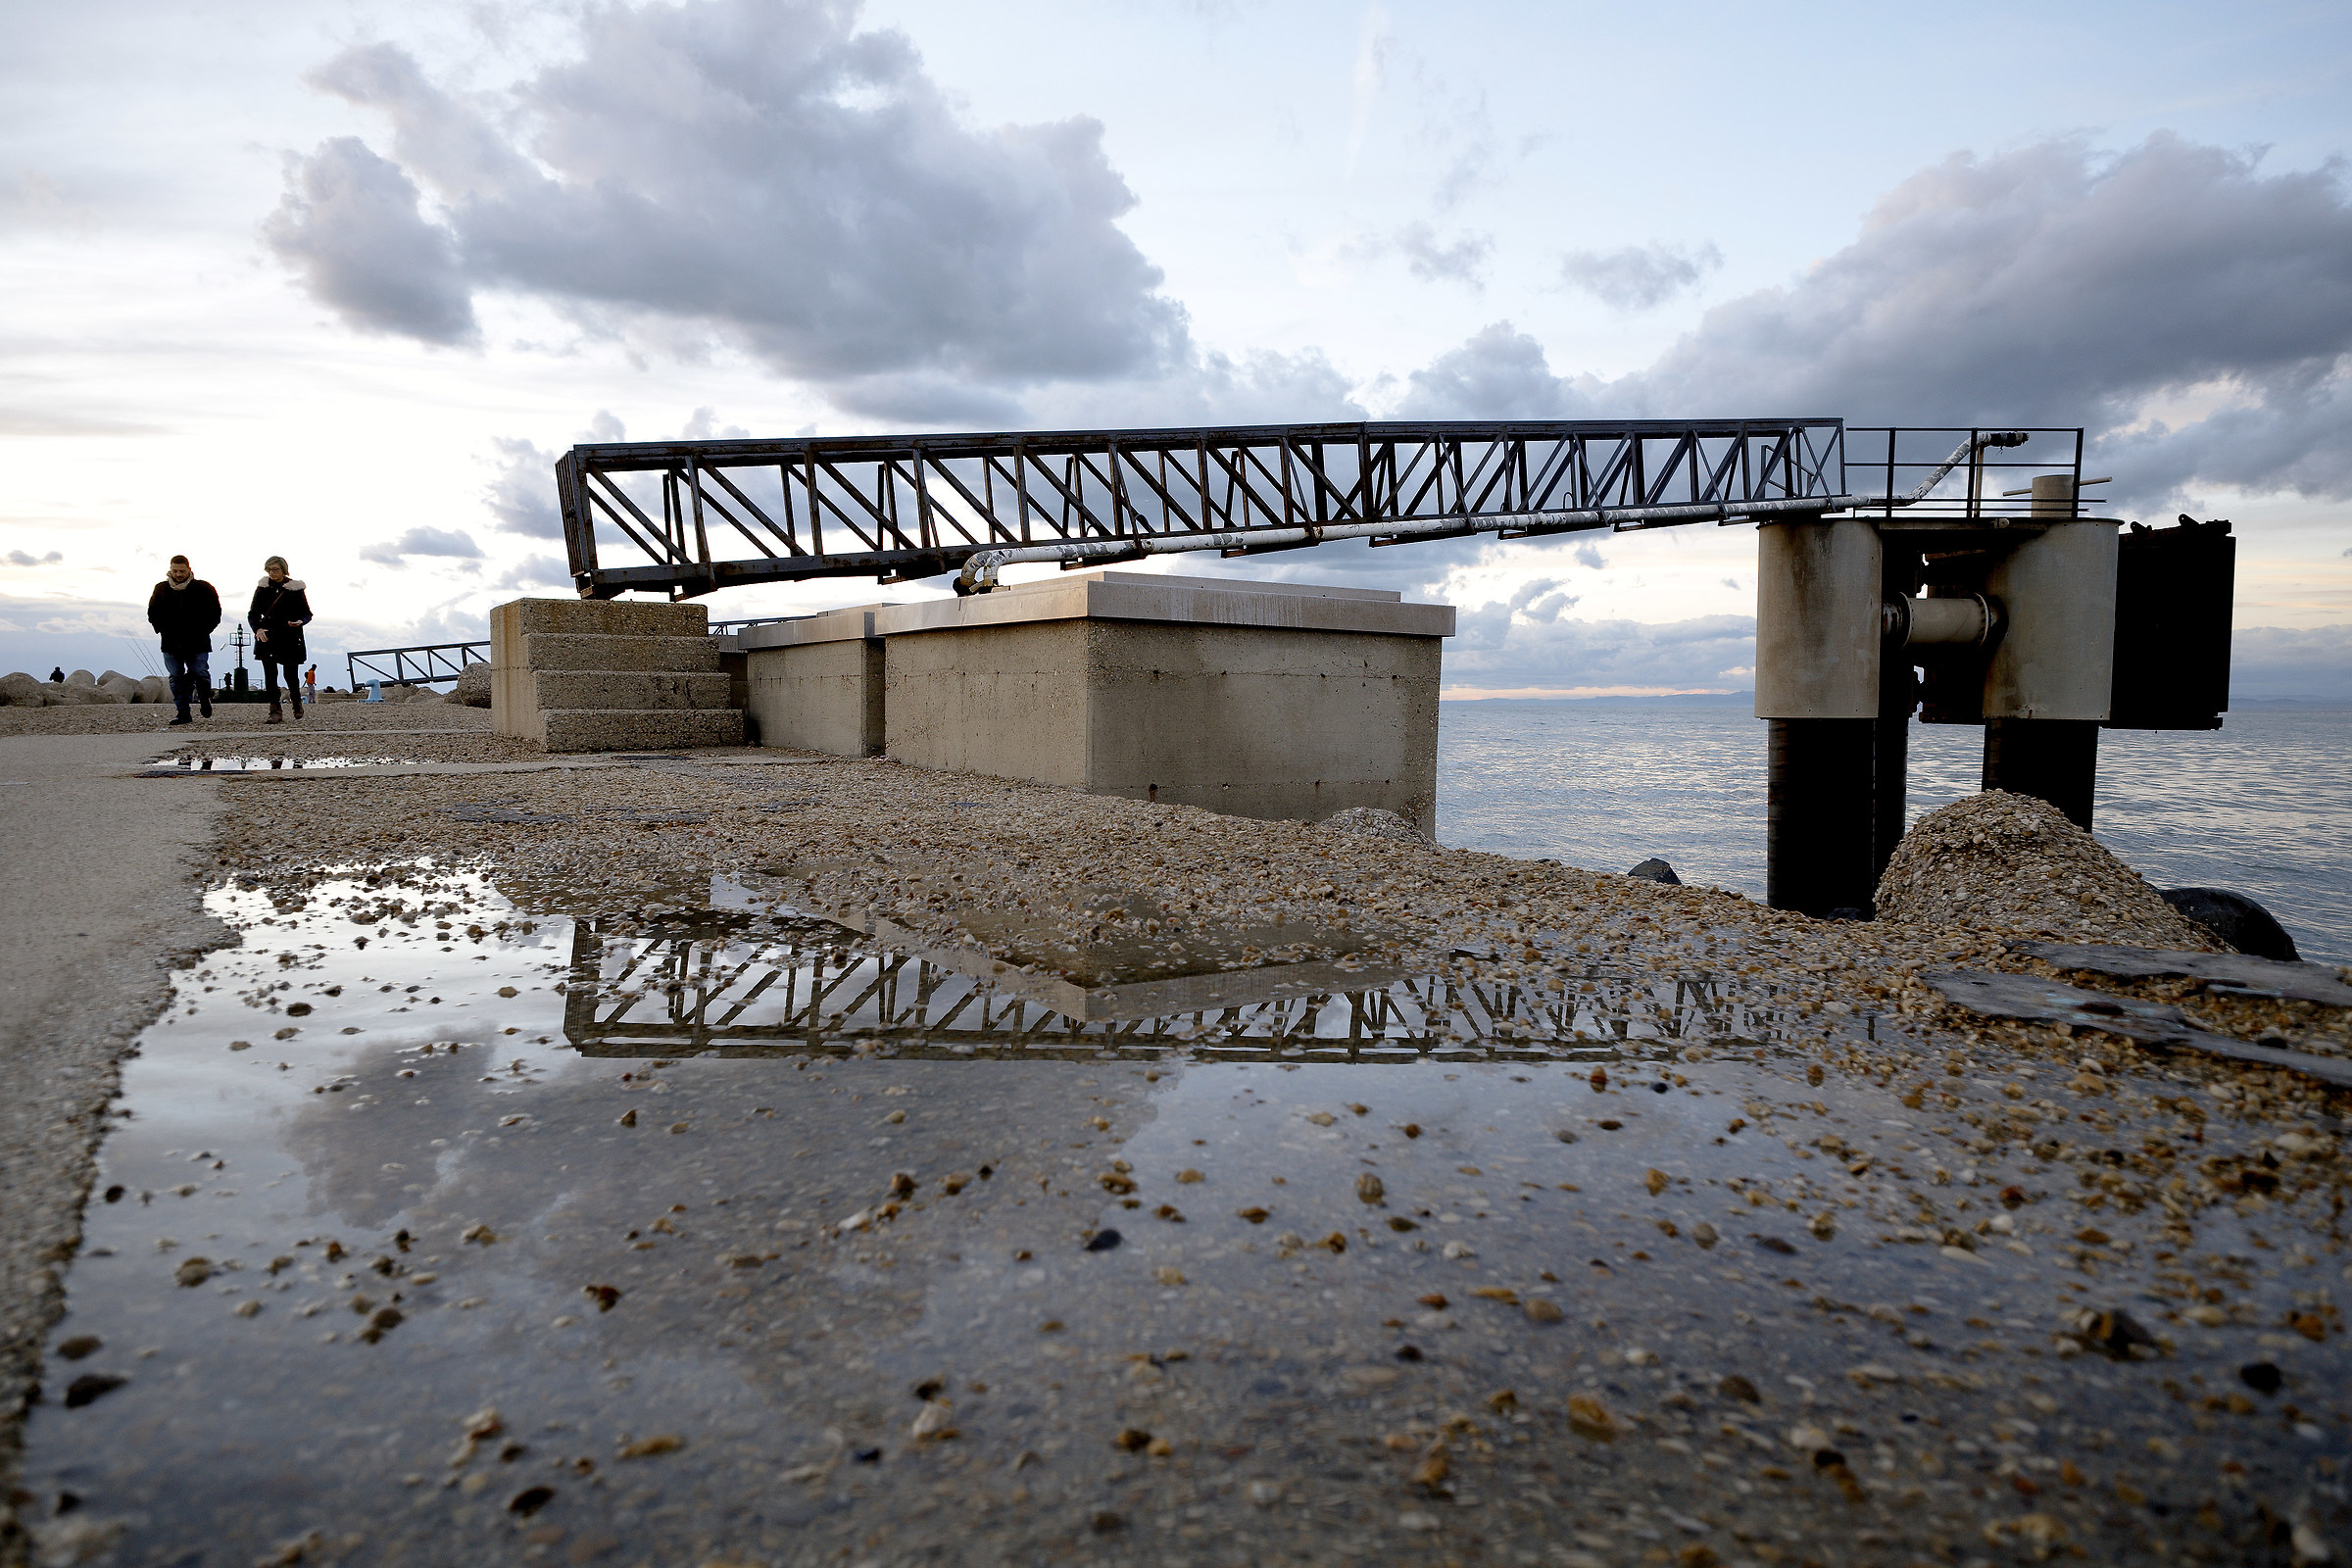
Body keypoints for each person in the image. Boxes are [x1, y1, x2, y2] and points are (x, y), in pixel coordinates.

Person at [146, 555, 221, 726]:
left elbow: (215, 613)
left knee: (200, 672)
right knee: (176, 676)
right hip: (170, 642)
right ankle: (183, 712)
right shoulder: (161, 589)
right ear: (170, 570)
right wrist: (160, 629)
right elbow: (152, 613)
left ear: (189, 569)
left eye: (181, 571)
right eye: (175, 571)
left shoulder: (204, 588)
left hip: (198, 640)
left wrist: (204, 630)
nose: (178, 574)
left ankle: (204, 699)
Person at [247, 556, 314, 723]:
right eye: (269, 569)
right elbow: (253, 614)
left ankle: (297, 703)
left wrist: (300, 622)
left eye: (275, 569)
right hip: (268, 636)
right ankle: (274, 710)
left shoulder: (295, 589)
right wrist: (257, 629)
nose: (272, 573)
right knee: (270, 674)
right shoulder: (262, 588)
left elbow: (307, 614)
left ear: (284, 570)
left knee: (291, 675)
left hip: (290, 635)